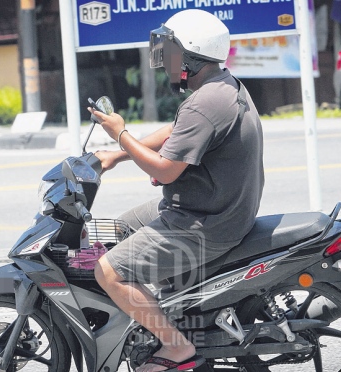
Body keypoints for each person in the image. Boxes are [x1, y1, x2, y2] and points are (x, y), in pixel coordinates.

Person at [90, 9, 264, 372]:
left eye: (169, 50)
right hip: (206, 206)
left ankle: (176, 348)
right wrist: (116, 156)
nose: (163, 58)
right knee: (110, 233)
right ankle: (156, 311)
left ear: (191, 56)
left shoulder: (204, 104)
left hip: (205, 222)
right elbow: (175, 133)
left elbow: (166, 171)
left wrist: (120, 133)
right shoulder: (220, 86)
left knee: (107, 270)